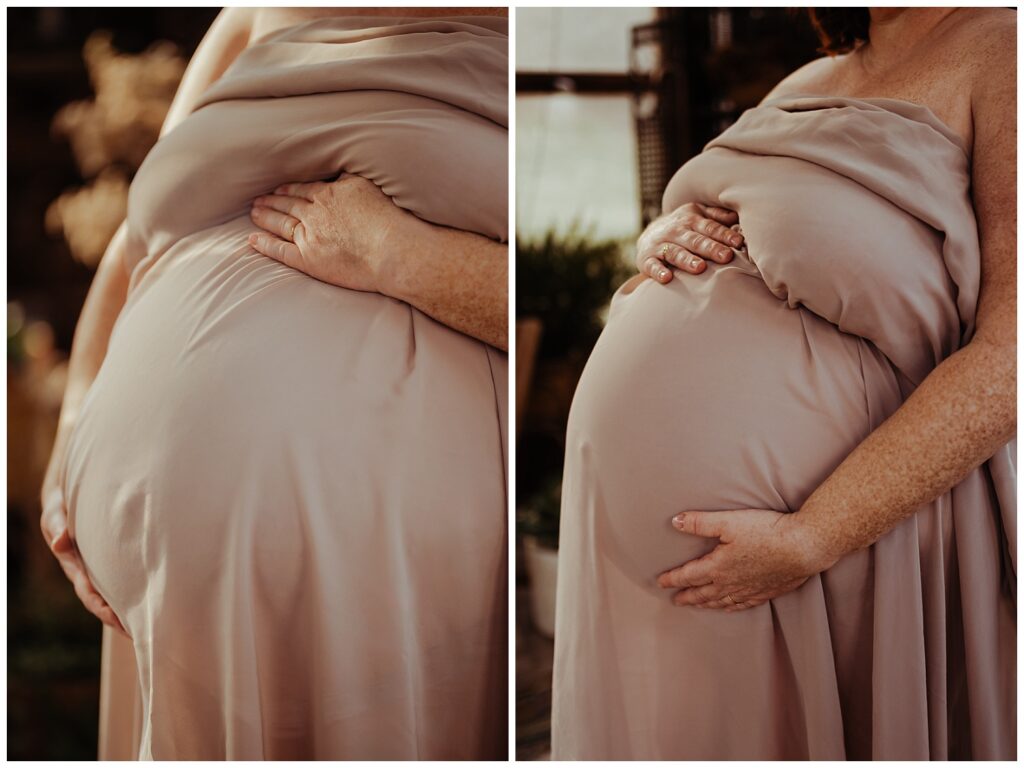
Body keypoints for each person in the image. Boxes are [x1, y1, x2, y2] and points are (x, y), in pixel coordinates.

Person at [40, 6, 509, 760]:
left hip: (380, 585)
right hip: (160, 587)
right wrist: (72, 428)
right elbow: (136, 238)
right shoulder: (253, 12)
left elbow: (560, 310)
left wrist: (402, 257)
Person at [552, 7, 1015, 760]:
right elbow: (738, 228)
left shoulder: (1002, 49)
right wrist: (657, 237)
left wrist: (814, 534)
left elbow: (1013, 356)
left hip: (820, 547)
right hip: (646, 565)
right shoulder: (808, 79)